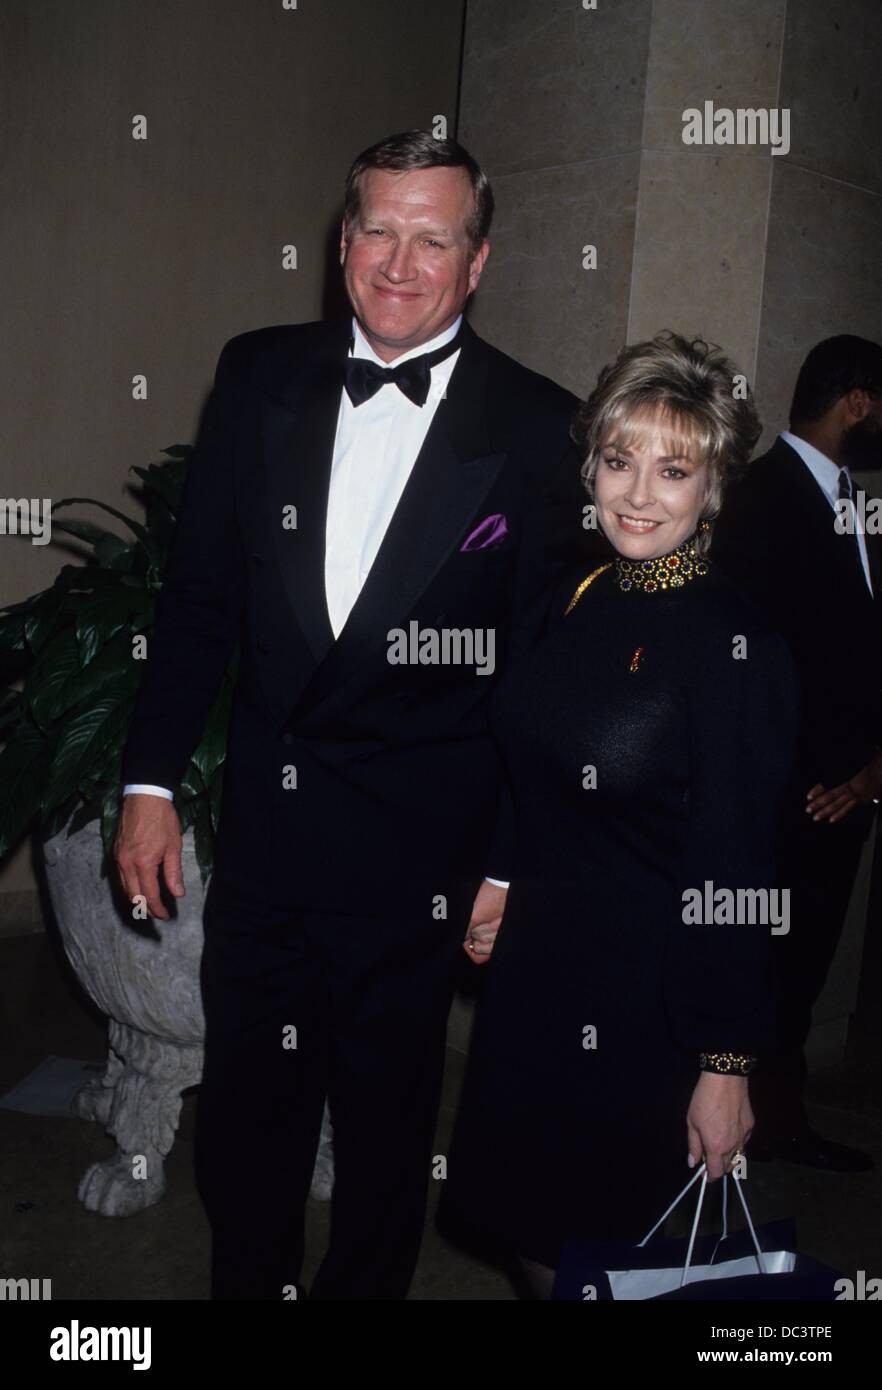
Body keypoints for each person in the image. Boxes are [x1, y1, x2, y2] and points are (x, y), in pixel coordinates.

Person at [113, 130, 591, 1300]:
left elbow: (541, 671)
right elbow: (198, 603)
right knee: (248, 1125)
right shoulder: (260, 372)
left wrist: (510, 858)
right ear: (341, 243)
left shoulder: (538, 426)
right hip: (271, 847)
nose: (399, 260)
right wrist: (149, 783)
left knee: (384, 1144)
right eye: (377, 228)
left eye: (434, 236)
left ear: (477, 262)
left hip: (419, 854)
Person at [440, 332, 799, 1295]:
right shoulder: (581, 593)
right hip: (538, 980)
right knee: (528, 1227)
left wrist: (727, 1065)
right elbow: (530, 756)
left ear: (713, 487)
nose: (638, 494)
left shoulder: (736, 647)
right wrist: (502, 876)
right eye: (618, 459)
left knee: (606, 1258)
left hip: (649, 1003)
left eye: (672, 469)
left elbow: (740, 874)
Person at [713, 335, 882, 1172]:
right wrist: (825, 775)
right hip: (792, 801)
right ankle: (756, 1127)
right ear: (856, 400)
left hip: (845, 795)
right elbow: (751, 659)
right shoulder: (762, 498)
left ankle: (778, 1121)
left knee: (803, 967)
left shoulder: (854, 501)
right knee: (768, 970)